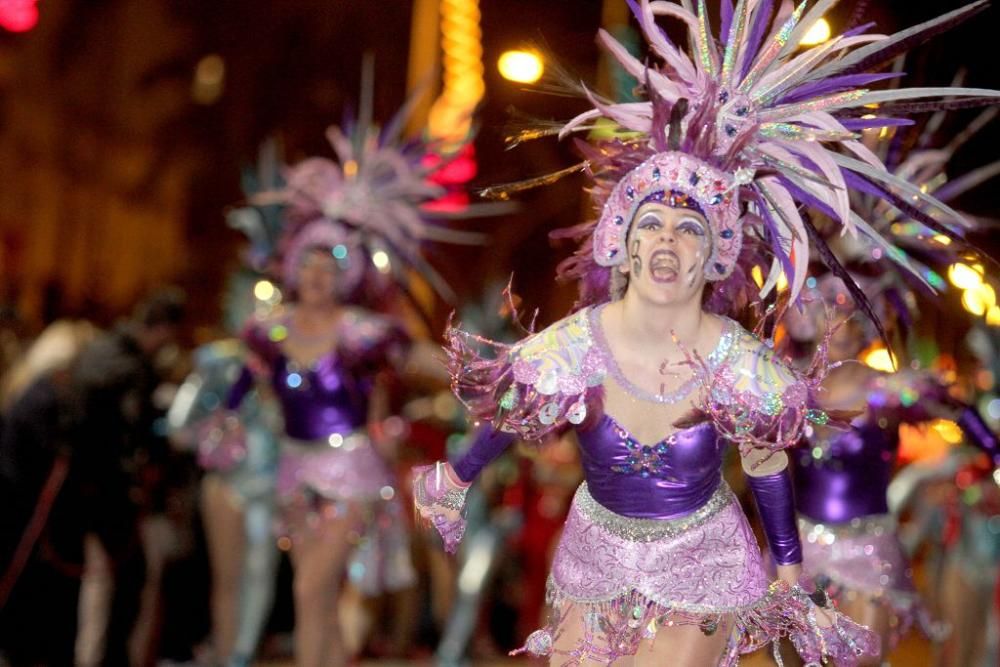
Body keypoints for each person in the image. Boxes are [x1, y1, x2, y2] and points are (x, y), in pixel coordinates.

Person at [414, 0, 1000, 663]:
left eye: (689, 229)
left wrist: (786, 571)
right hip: (594, 557)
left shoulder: (743, 365)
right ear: (623, 247)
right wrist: (453, 478)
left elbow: (767, 463)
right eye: (652, 227)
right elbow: (515, 414)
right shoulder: (573, 345)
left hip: (703, 563)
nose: (668, 241)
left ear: (714, 255)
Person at [0, 289, 184, 667]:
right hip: (89, 488)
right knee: (111, 581)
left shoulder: (95, 358)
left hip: (69, 490)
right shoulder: (125, 368)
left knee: (65, 583)